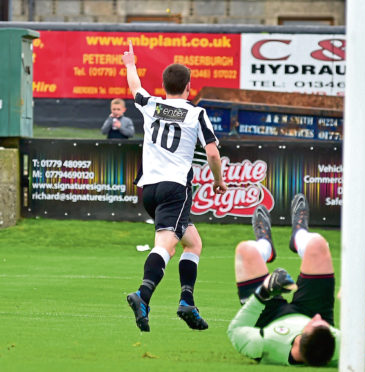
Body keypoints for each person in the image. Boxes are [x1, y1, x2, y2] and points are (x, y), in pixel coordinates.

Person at [122, 40, 227, 332]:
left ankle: (187, 302)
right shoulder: (196, 113)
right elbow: (213, 153)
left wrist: (130, 63)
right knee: (166, 244)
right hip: (174, 189)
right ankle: (142, 296)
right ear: (188, 87)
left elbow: (135, 87)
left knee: (192, 242)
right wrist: (219, 181)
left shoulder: (151, 105)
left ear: (165, 85)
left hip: (149, 190)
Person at [227, 193, 340, 366]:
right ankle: (299, 234)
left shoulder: (263, 344)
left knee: (246, 251)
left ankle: (265, 245)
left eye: (317, 324)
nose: (318, 318)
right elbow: (357, 343)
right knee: (317, 244)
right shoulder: (335, 345)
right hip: (308, 309)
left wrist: (264, 292)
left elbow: (235, 331)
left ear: (298, 339)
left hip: (267, 318)